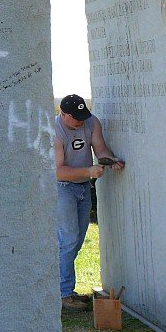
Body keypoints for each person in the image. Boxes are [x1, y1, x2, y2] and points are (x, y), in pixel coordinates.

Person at [55, 93, 124, 311]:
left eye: (83, 115)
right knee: (68, 239)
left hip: (83, 187)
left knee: (76, 240)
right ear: (63, 114)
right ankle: (63, 293)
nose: (80, 121)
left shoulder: (91, 122)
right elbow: (58, 172)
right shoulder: (55, 133)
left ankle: (62, 288)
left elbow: (100, 148)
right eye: (75, 117)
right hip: (63, 188)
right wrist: (88, 170)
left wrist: (110, 159)